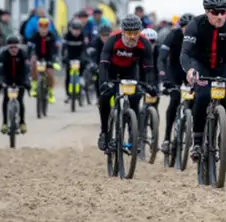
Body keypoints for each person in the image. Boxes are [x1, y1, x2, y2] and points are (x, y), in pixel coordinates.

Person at [180, 0, 226, 162]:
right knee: (203, 97)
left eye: (223, 12)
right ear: (207, 12)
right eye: (215, 12)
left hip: (223, 66)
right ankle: (197, 141)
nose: (220, 16)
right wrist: (190, 70)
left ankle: (222, 139)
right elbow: (185, 53)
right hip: (201, 65)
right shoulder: (196, 24)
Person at [97, 14, 157, 151]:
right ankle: (104, 133)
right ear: (123, 32)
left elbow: (148, 69)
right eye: (129, 33)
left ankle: (132, 136)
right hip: (111, 69)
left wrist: (150, 85)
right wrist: (104, 82)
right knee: (105, 98)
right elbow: (103, 63)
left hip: (130, 70)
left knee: (135, 97)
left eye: (135, 33)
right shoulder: (113, 39)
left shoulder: (145, 43)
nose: (132, 37)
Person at [158, 13, 194, 154]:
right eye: (185, 28)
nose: (188, 31)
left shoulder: (198, 38)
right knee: (174, 100)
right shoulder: (173, 35)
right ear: (181, 27)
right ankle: (167, 138)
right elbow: (162, 57)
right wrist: (162, 74)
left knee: (195, 102)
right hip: (174, 72)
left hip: (190, 73)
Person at [0, 35, 31, 134]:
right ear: (7, 47)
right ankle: (5, 123)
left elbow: (26, 71)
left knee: (20, 100)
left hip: (20, 80)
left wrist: (27, 82)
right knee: (6, 100)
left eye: (15, 47)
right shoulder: (3, 56)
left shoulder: (23, 55)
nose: (14, 50)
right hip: (8, 80)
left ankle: (22, 122)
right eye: (11, 47)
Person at [28, 17, 58, 103]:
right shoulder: (35, 35)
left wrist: (54, 59)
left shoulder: (52, 36)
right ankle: (34, 86)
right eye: (41, 27)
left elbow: (55, 49)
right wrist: (28, 57)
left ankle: (51, 93)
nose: (43, 29)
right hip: (38, 55)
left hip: (49, 57)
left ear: (48, 27)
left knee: (50, 73)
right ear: (38, 27)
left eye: (45, 27)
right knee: (33, 64)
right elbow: (30, 48)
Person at [62, 19, 87, 102]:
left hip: (79, 57)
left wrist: (84, 58)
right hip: (70, 57)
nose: (76, 32)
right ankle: (68, 95)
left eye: (78, 30)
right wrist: (63, 58)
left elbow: (84, 49)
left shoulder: (83, 36)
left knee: (83, 65)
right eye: (74, 30)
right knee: (68, 76)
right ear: (71, 29)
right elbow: (63, 49)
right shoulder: (67, 36)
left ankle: (81, 79)